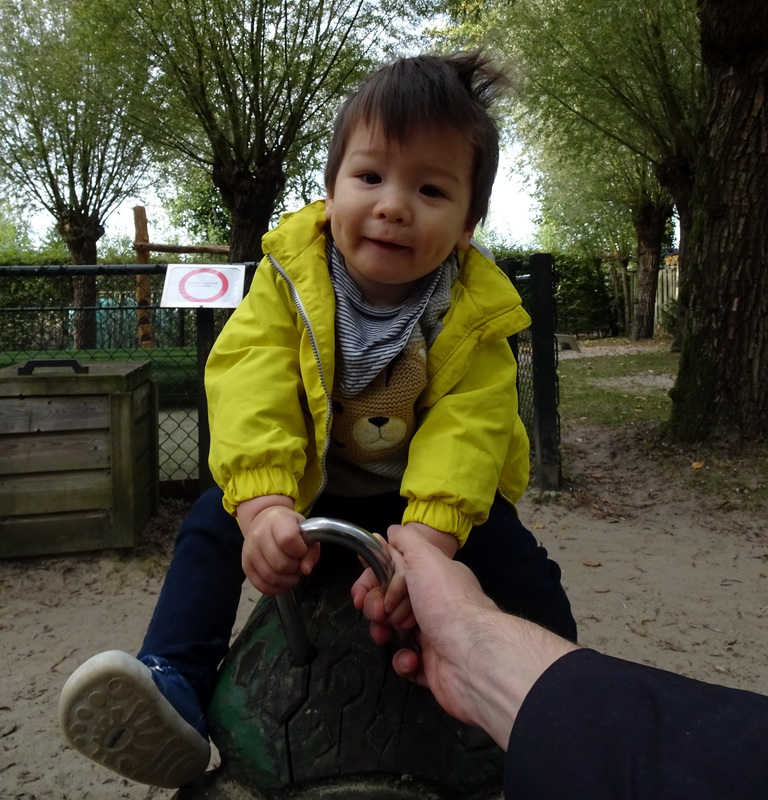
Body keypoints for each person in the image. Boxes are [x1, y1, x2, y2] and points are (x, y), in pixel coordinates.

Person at [58, 50, 576, 788]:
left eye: (430, 189)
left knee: (524, 569)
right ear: (329, 192)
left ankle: (553, 703)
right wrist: (264, 498)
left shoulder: (475, 312)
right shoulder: (288, 280)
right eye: (370, 178)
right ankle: (172, 677)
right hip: (308, 481)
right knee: (209, 527)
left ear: (468, 224)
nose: (394, 205)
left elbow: (472, 423)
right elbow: (252, 375)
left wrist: (429, 537)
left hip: (423, 502)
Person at [377, 524, 768, 800]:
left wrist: (435, 522)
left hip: (445, 507)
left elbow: (472, 419)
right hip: (322, 491)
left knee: (538, 593)